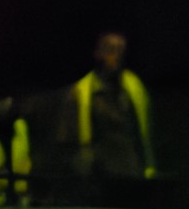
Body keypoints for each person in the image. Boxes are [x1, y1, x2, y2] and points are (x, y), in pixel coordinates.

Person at [58, 31, 154, 181]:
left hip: (133, 172)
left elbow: (144, 132)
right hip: (99, 177)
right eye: (111, 50)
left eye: (121, 50)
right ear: (98, 54)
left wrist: (147, 165)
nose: (117, 56)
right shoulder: (81, 92)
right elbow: (68, 141)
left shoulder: (134, 86)